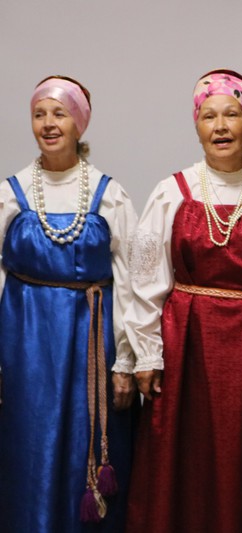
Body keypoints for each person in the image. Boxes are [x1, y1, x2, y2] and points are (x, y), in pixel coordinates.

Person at [125, 69, 242, 533]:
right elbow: (147, 282)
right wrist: (147, 354)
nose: (220, 126)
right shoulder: (171, 192)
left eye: (232, 114)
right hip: (188, 349)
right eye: (208, 116)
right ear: (196, 125)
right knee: (190, 457)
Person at [0, 75, 138, 532]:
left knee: (86, 445)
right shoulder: (10, 193)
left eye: (59, 113)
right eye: (39, 114)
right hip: (25, 344)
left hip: (91, 344)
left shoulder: (108, 194)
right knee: (28, 444)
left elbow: (133, 281)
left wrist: (127, 360)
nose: (48, 123)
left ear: (79, 123)